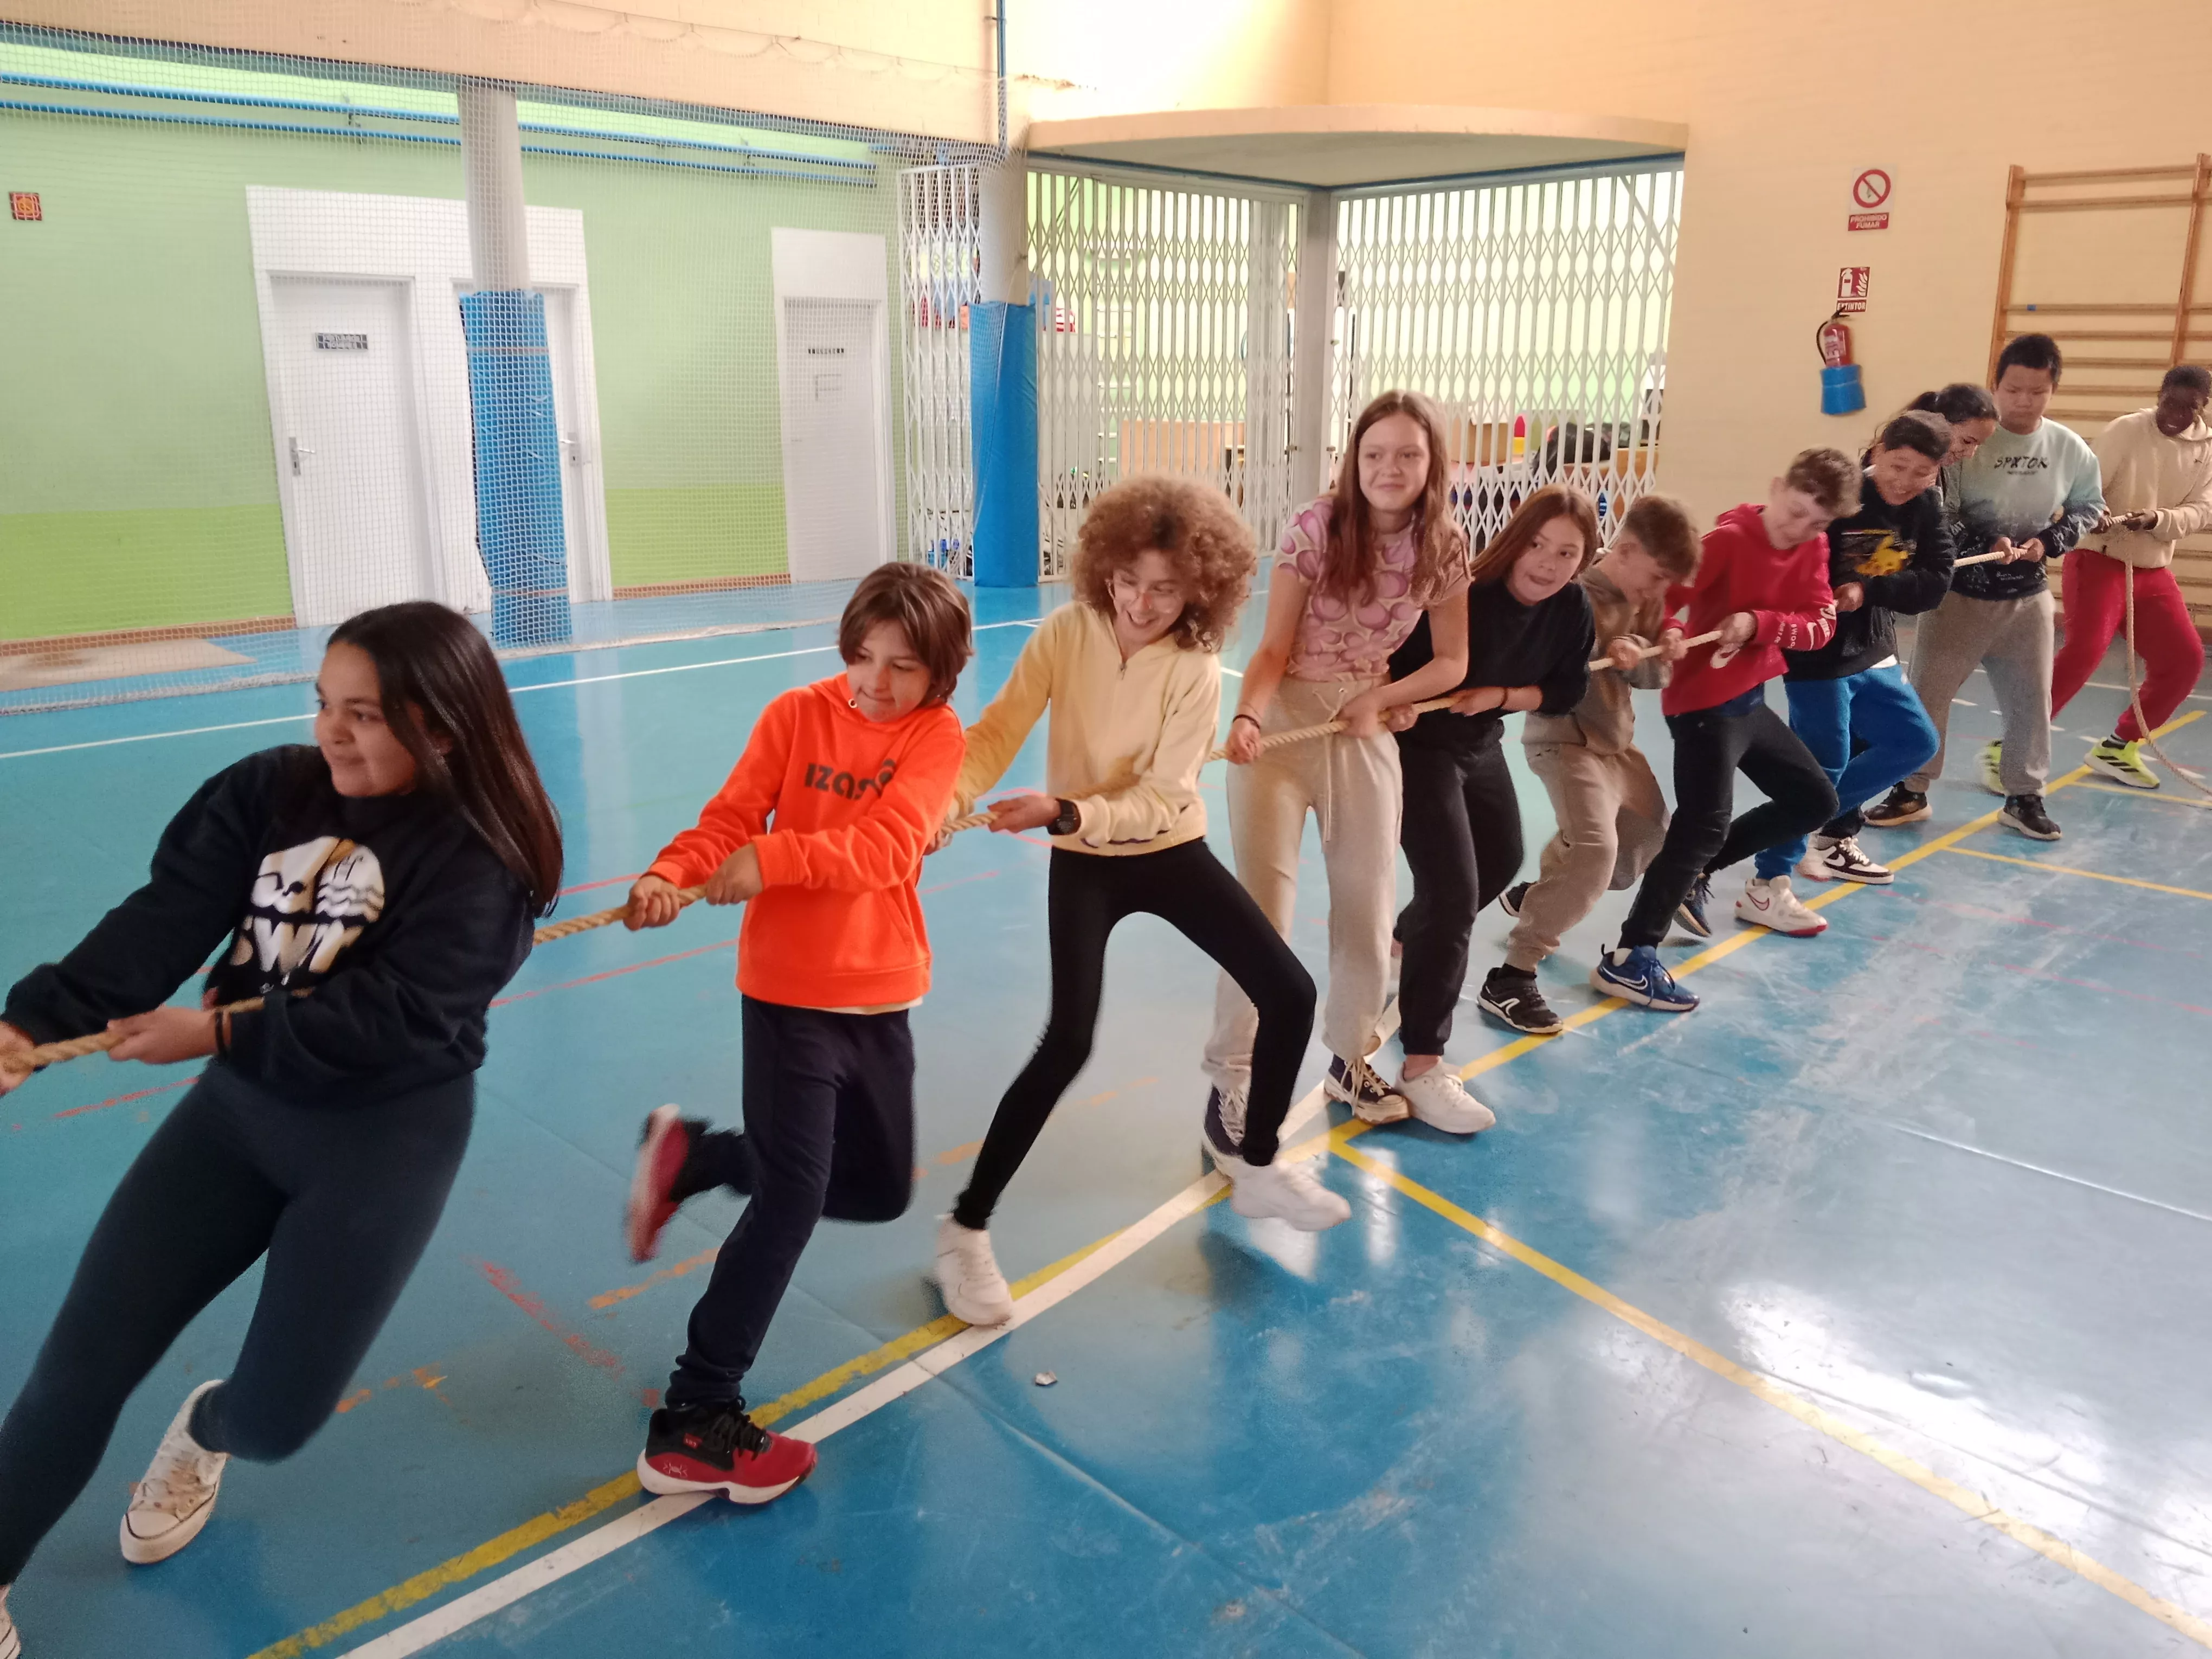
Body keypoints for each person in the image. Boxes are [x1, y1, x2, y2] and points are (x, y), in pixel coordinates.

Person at [0, 603, 561, 1651]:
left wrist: (213, 1032)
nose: (333, 733)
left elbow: (394, 1020)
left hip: (383, 1141)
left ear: (443, 728)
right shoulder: (272, 791)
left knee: (276, 1421)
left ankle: (209, 1429)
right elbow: (164, 913)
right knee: (76, 1372)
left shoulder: (484, 861)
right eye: (324, 706)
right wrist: (33, 1019)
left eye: (366, 715)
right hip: (240, 1120)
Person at [929, 481, 1347, 1327]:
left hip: (1163, 850)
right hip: (1085, 864)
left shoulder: (1193, 670)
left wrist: (1067, 810)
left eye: (1165, 588)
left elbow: (1163, 799)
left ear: (1200, 587)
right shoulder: (1066, 634)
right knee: (1068, 1041)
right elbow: (997, 732)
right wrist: (947, 801)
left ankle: (1258, 1165)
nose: (1142, 602)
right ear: (1104, 570)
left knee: (1291, 992)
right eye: (1127, 581)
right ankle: (964, 1230)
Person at [620, 564, 971, 1506]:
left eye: (905, 667)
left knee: (875, 1188)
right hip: (786, 997)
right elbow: (728, 820)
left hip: (880, 994)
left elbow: (892, 843)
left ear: (943, 674)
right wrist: (671, 872)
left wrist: (771, 859)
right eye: (865, 658)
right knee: (791, 1195)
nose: (879, 683)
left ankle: (694, 1154)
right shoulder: (793, 716)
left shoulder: (936, 736)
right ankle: (696, 1414)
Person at [1203, 390, 1473, 1125]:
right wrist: (1251, 713)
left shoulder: (1445, 545)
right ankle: (1232, 1075)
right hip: (1285, 723)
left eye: (1408, 455)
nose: (1390, 468)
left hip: (1362, 728)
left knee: (1367, 903)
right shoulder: (1315, 530)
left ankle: (1350, 1062)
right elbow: (1271, 648)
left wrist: (1382, 701)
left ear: (1431, 464)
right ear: (1353, 460)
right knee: (1262, 914)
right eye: (1375, 453)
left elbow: (1452, 663)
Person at [1592, 450, 1854, 1012]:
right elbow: (1669, 606)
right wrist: (1678, 629)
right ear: (1776, 485)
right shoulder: (1729, 541)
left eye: (1818, 522)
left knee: (1813, 799)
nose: (1801, 530)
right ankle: (1631, 956)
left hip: (1749, 699)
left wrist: (1759, 624)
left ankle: (1693, 874)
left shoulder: (1813, 547)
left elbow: (1820, 626)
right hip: (1701, 704)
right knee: (1701, 825)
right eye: (1795, 512)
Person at [1385, 485, 1596, 1110]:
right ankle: (1423, 1062)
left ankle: (1406, 938)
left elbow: (1566, 689)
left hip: (1479, 739)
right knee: (1452, 896)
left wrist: (1499, 697)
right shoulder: (1467, 595)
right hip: (1419, 748)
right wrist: (1393, 703)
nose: (1548, 564)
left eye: (1566, 553)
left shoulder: (1572, 607)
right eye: (1537, 545)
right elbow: (1398, 665)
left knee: (1501, 861)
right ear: (1514, 540)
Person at [1483, 494, 1700, 1034]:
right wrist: (1604, 647)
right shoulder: (1572, 593)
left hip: (1616, 746)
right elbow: (1548, 676)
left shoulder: (1645, 599)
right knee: (1596, 856)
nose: (1656, 594)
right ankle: (1512, 975)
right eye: (1652, 579)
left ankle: (1539, 893)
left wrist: (1648, 656)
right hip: (1565, 741)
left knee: (1647, 838)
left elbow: (1653, 679)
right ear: (1624, 552)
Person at [1887, 336, 2104, 841]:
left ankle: (2024, 796)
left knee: (2032, 700)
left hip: (2027, 598)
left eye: (2037, 392)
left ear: (2053, 391)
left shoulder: (2069, 447)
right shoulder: (1964, 442)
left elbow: (2090, 507)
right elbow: (1939, 510)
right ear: (1996, 385)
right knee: (1928, 695)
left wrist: (2050, 541)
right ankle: (1911, 789)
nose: (2023, 401)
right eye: (2013, 389)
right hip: (1959, 593)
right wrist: (1989, 539)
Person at [1758, 410, 1954, 888]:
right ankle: (1769, 877)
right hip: (1818, 652)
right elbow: (1797, 559)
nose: (1906, 482)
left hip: (1874, 645)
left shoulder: (1928, 505)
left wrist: (1867, 589)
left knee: (1916, 743)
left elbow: (1935, 582)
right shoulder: (1845, 498)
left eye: (1922, 472)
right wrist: (1830, 588)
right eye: (1897, 466)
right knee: (1826, 758)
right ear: (1878, 452)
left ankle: (1803, 822)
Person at [2049, 364, 2212, 788]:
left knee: (2185, 660)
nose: (2176, 414)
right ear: (2160, 394)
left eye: (2189, 408)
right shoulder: (2127, 429)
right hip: (2098, 559)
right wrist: (2095, 512)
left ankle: (2119, 747)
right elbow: (2086, 488)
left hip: (2151, 569)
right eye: (2170, 402)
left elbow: (2202, 509)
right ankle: (2015, 740)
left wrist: (2158, 519)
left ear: (2203, 408)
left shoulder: (2206, 448)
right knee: (2085, 649)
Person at [1864, 384, 1998, 828]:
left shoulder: (1931, 493)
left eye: (1919, 473)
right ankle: (1828, 827)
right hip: (1845, 633)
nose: (1970, 453)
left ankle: (1839, 825)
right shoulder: (1863, 493)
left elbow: (1931, 580)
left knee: (1906, 735)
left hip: (1876, 622)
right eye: (1967, 441)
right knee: (1846, 736)